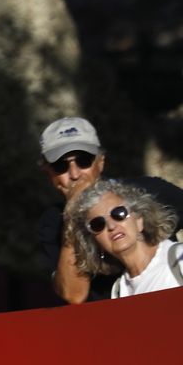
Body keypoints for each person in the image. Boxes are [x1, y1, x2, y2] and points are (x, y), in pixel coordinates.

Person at [34, 117, 183, 303]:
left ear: (101, 162)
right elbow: (74, 295)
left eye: (84, 160)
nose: (74, 174)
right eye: (60, 166)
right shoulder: (53, 223)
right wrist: (71, 218)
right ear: (48, 172)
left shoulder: (149, 190)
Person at [65, 179, 183, 299]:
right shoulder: (118, 291)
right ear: (95, 242)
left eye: (119, 214)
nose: (111, 226)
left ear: (139, 220)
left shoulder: (178, 259)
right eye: (98, 224)